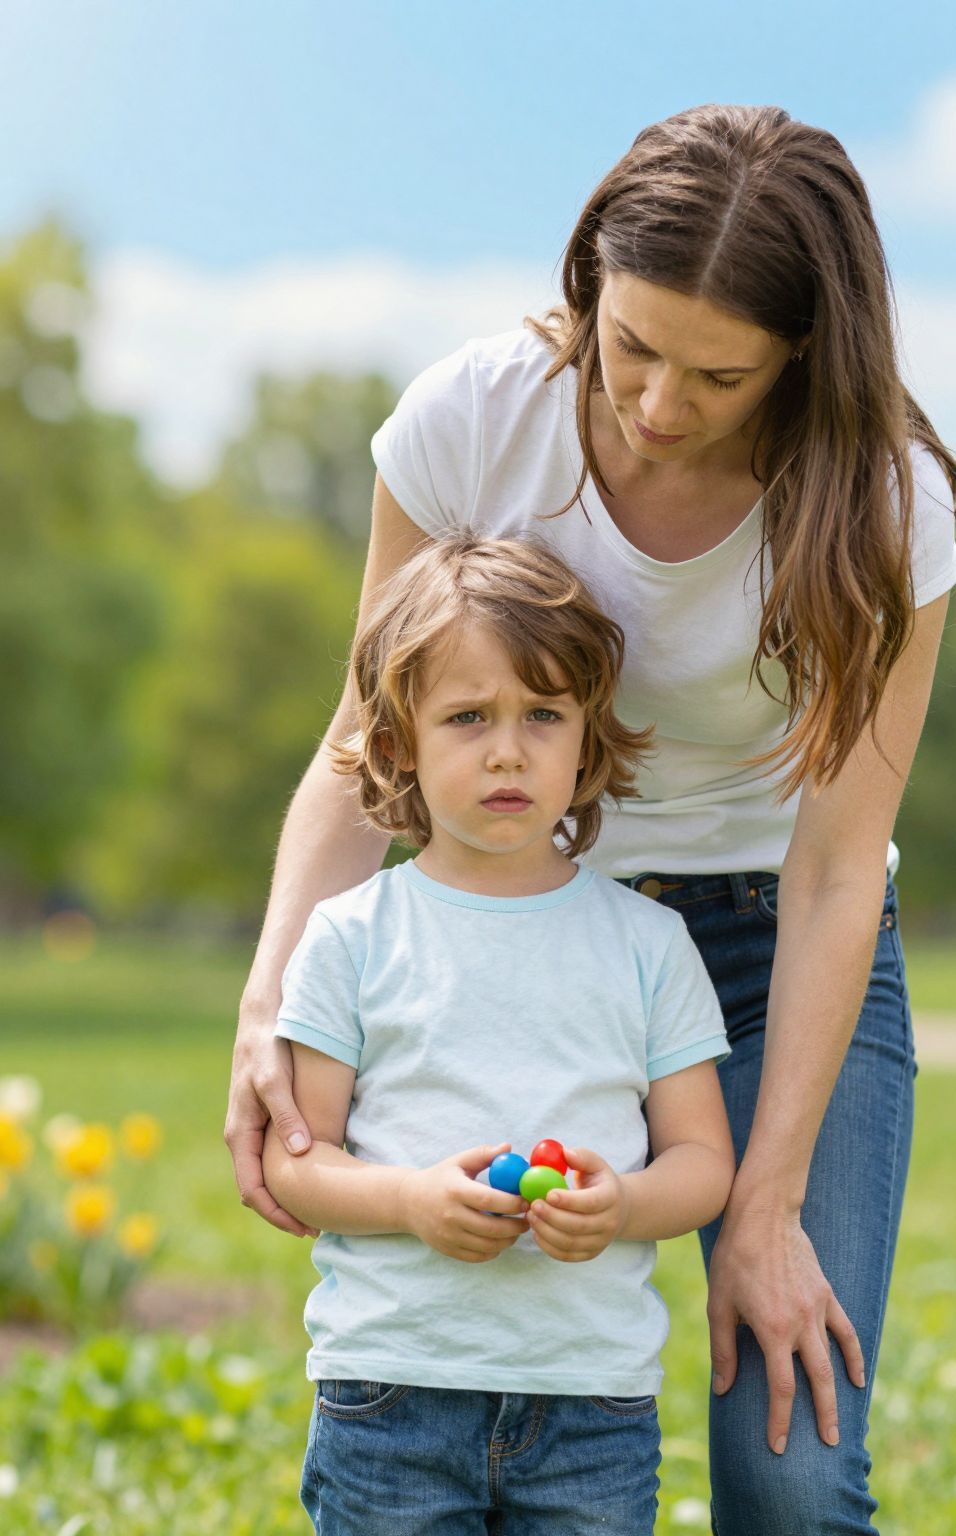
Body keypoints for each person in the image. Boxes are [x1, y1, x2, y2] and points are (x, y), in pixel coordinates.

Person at [231, 102, 956, 1534]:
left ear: (806, 354)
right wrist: (273, 993)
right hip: (528, 926)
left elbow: (834, 871)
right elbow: (358, 744)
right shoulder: (473, 417)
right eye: (629, 345)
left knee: (796, 1464)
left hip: (776, 947)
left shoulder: (886, 506)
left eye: (718, 374)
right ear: (586, 283)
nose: (654, 403)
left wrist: (759, 1212)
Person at [263, 529, 737, 1533]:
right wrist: (409, 1199)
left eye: (543, 713)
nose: (508, 749)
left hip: (590, 1403)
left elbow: (702, 1161)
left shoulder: (648, 944)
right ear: (396, 743)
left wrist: (623, 1203)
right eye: (466, 716)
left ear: (586, 738)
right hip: (391, 1392)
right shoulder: (351, 936)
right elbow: (299, 1161)